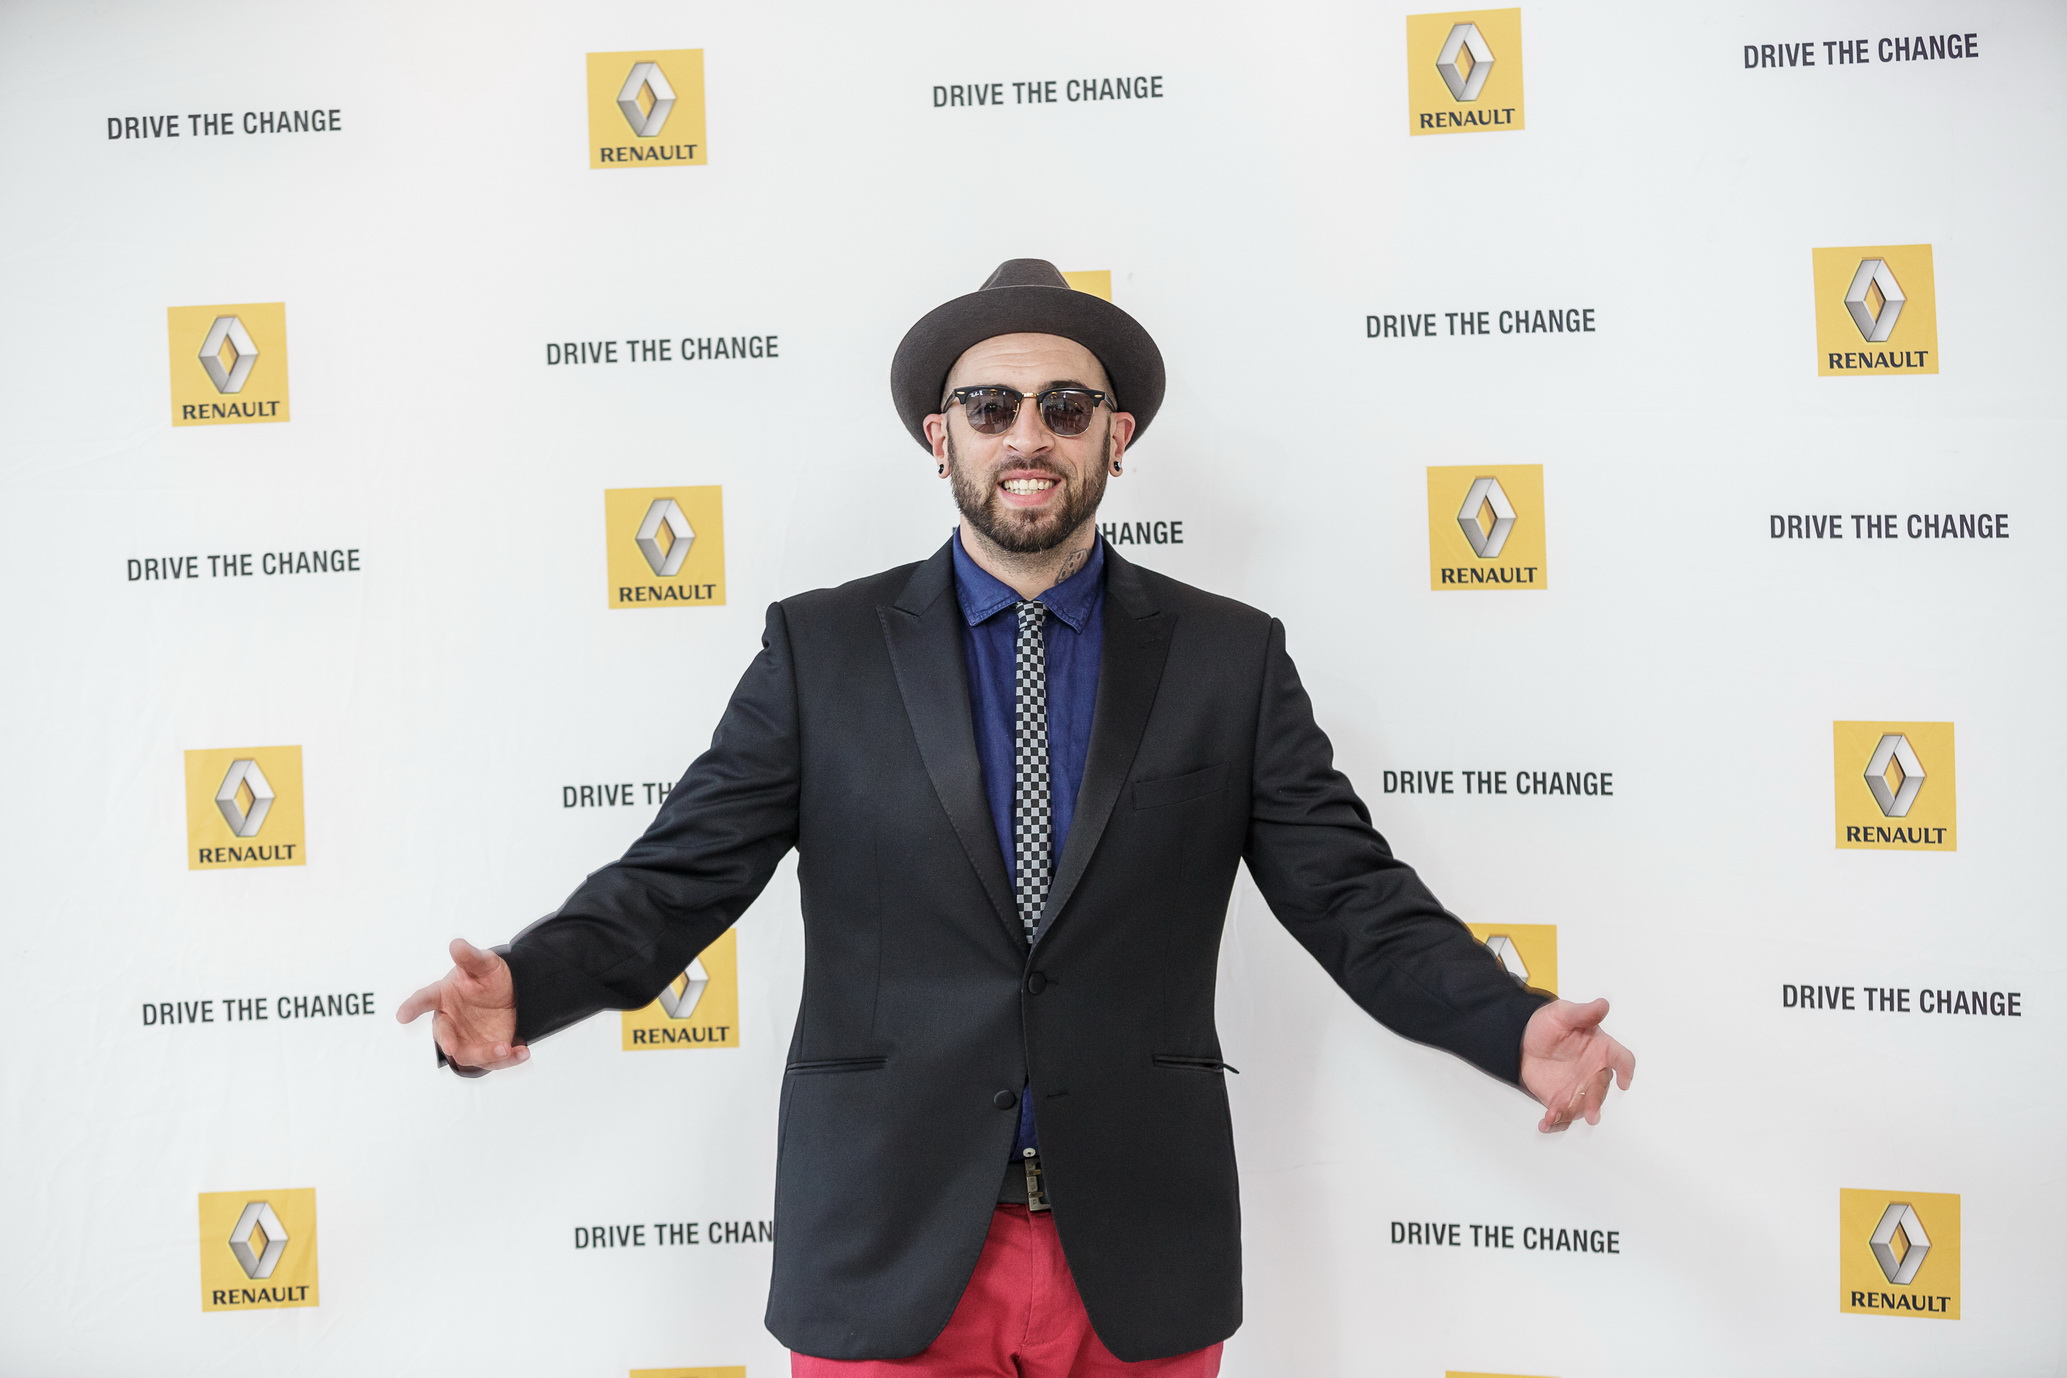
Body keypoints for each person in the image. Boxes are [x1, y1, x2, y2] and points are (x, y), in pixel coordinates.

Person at [398, 259, 1635, 1377]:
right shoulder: (821, 652)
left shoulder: (1229, 660)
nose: (1028, 435)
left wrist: (1511, 1025)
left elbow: (1352, 898)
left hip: (1138, 1250)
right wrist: (529, 985)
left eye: (1066, 406)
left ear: (1117, 436)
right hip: (889, 1241)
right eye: (991, 407)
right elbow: (679, 878)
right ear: (940, 437)